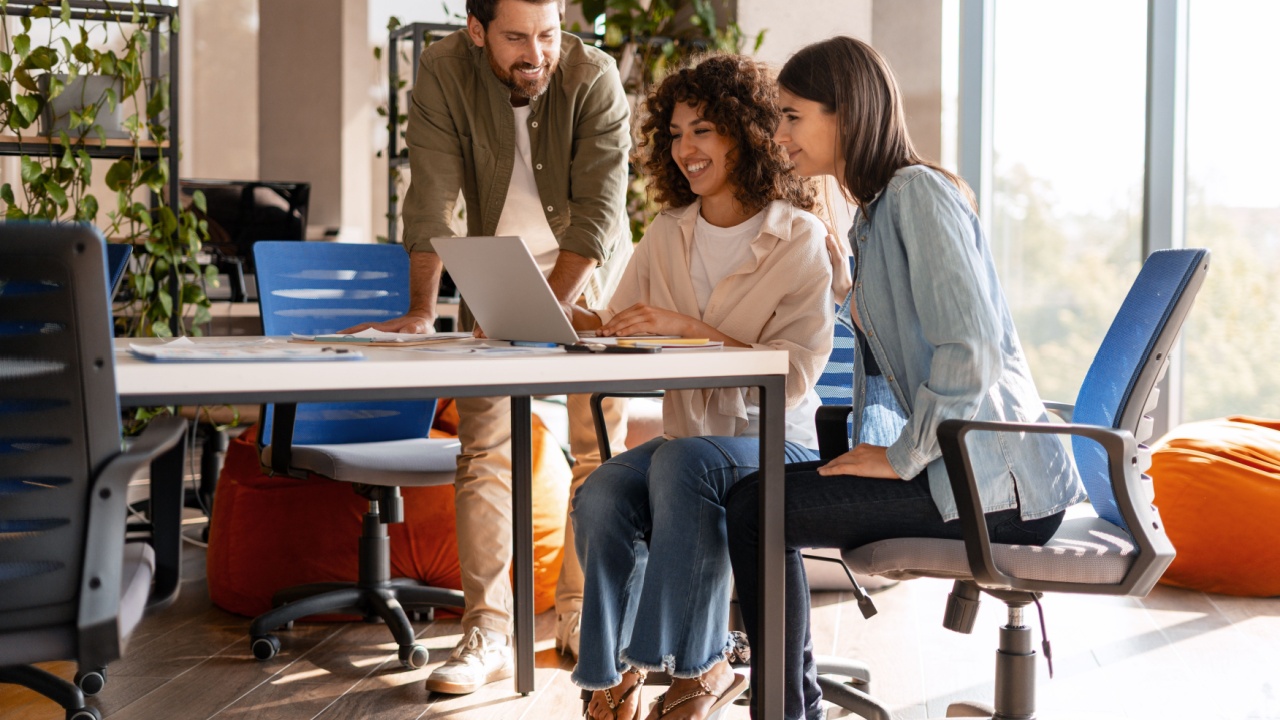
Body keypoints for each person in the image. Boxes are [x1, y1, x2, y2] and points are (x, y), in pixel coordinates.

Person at [723, 36, 1086, 720]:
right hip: (963, 468)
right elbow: (911, 343)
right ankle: (792, 706)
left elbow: (970, 350)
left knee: (754, 507)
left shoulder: (916, 193)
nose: (780, 135)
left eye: (793, 116)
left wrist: (899, 457)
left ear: (846, 112)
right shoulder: (877, 211)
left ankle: (787, 710)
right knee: (753, 499)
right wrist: (848, 289)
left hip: (996, 488)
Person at [343, 0, 633, 694]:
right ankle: (488, 632)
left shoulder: (593, 77)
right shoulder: (444, 70)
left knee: (598, 448)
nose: (536, 53)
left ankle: (581, 614)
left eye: (548, 34)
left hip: (590, 275)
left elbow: (599, 211)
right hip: (497, 273)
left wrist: (550, 309)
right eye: (516, 37)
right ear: (476, 32)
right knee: (485, 452)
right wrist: (423, 310)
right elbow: (431, 197)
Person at [566, 54, 834, 720]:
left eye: (704, 130)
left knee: (685, 464)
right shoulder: (666, 233)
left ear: (745, 133)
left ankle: (700, 665)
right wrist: (566, 321)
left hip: (777, 443)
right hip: (690, 443)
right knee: (603, 492)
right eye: (676, 133)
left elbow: (794, 374)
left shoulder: (798, 238)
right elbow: (621, 327)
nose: (686, 148)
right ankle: (613, 671)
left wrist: (690, 330)